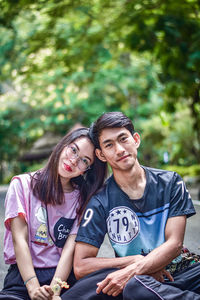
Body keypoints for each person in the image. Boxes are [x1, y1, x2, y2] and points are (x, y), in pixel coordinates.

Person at [61, 112, 200, 300]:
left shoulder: (171, 182)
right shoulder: (100, 202)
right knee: (126, 288)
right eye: (109, 145)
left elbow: (174, 244)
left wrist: (133, 270)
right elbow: (81, 266)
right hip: (143, 282)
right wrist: (135, 264)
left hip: (185, 270)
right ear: (101, 155)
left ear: (136, 140)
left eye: (123, 139)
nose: (119, 149)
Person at [0, 127, 107, 300]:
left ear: (86, 170)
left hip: (62, 278)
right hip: (24, 276)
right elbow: (19, 240)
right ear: (63, 145)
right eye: (73, 150)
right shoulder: (21, 185)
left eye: (84, 161)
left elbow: (69, 249)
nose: (73, 161)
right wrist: (34, 289)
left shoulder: (82, 199)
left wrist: (55, 291)